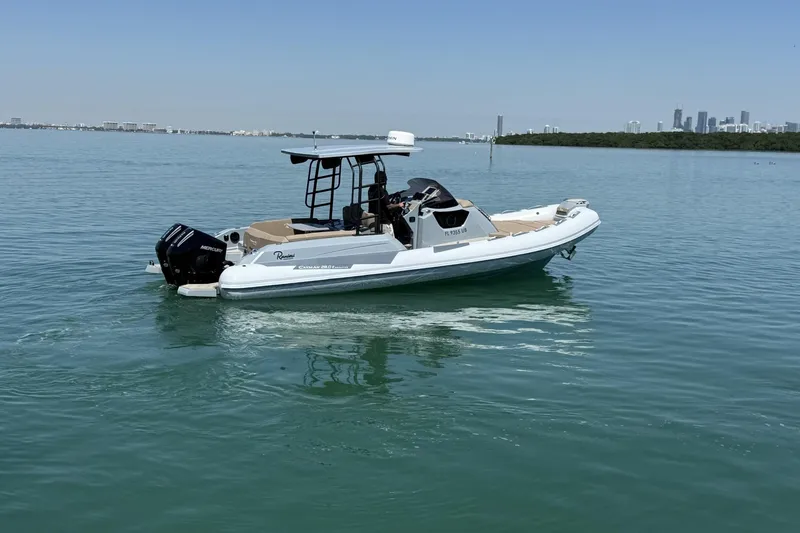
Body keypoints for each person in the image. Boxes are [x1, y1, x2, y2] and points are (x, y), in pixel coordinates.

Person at [367, 170, 412, 244]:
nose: (386, 180)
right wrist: (399, 205)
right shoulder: (382, 191)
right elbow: (389, 207)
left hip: (375, 214)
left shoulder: (372, 188)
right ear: (382, 179)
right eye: (385, 178)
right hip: (382, 219)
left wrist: (393, 195)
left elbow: (383, 199)